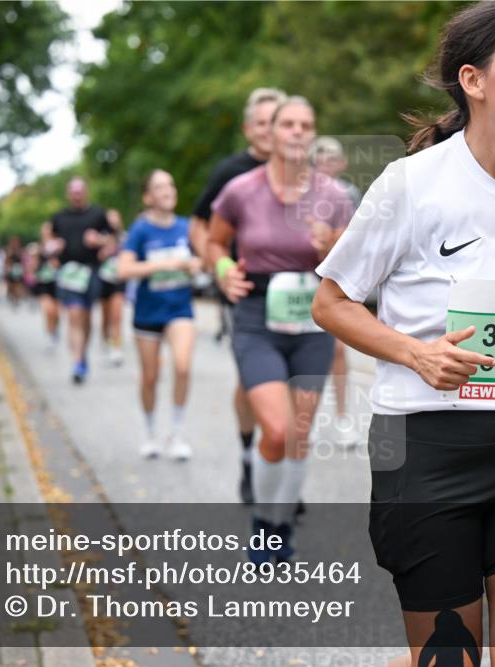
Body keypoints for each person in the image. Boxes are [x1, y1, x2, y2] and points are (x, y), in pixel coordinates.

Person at [312, 3, 495, 665]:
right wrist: (415, 351)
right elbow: (331, 303)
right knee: (451, 657)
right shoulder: (410, 185)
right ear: (473, 80)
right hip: (424, 446)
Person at [208, 96, 354, 562]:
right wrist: (224, 267)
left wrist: (330, 244)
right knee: (275, 428)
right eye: (286, 123)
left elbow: (354, 263)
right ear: (269, 132)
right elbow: (214, 241)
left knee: (299, 434)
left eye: (304, 124)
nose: (295, 131)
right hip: (256, 318)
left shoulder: (333, 195)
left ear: (312, 134)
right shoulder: (240, 190)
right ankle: (263, 521)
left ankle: (281, 521)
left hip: (312, 320)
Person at [191, 86, 288, 504]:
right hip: (245, 292)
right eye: (263, 123)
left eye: (277, 122)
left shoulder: (302, 171)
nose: (270, 131)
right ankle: (251, 455)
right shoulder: (230, 172)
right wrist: (221, 268)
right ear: (250, 128)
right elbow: (198, 227)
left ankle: (283, 468)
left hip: (298, 296)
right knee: (254, 381)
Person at [118, 170, 203, 461]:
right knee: (150, 377)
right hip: (147, 312)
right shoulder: (140, 230)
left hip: (180, 309)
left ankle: (176, 433)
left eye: (170, 184)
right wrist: (166, 263)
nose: (168, 190)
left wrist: (194, 265)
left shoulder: (187, 226)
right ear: (148, 196)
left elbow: (203, 258)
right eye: (159, 187)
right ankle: (150, 432)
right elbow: (124, 270)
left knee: (182, 367)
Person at [311, 136, 363, 449]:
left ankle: (343, 418)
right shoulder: (302, 194)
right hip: (306, 280)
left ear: (341, 164)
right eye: (320, 160)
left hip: (339, 279)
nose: (326, 166)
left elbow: (355, 240)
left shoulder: (349, 194)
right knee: (311, 351)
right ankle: (313, 416)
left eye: (332, 160)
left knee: (339, 352)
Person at [49, 177, 112, 384]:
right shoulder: (59, 217)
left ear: (86, 192)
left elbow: (113, 241)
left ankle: (82, 355)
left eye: (80, 191)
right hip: (69, 273)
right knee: (74, 315)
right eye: (73, 191)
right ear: (68, 194)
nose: (76, 195)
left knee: (85, 317)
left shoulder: (98, 214)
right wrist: (53, 248)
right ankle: (77, 362)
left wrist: (100, 241)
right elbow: (48, 242)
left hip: (91, 271)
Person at [99, 208, 128, 367]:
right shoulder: (101, 238)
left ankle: (116, 347)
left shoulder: (124, 238)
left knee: (117, 315)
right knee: (106, 315)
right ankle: (105, 337)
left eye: (116, 218)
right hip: (104, 280)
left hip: (119, 280)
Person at [32, 222, 61, 349]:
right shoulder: (38, 248)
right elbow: (33, 265)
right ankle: (50, 334)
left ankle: (54, 330)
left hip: (57, 281)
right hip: (43, 282)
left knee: (56, 312)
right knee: (48, 310)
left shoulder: (59, 245)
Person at [5, 235, 26, 308]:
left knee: (18, 284)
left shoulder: (20, 250)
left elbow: (23, 260)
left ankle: (17, 298)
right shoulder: (9, 250)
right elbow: (7, 260)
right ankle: (12, 296)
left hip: (18, 269)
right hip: (11, 269)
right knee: (11, 285)